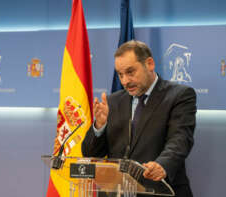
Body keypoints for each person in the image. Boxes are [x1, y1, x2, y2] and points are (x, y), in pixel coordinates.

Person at [81, 40, 196, 197]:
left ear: (149, 64)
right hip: (118, 192)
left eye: (130, 72)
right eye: (120, 75)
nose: (125, 81)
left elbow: (180, 139)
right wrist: (99, 126)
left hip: (161, 191)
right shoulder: (113, 102)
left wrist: (162, 165)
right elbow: (90, 154)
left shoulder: (179, 96)